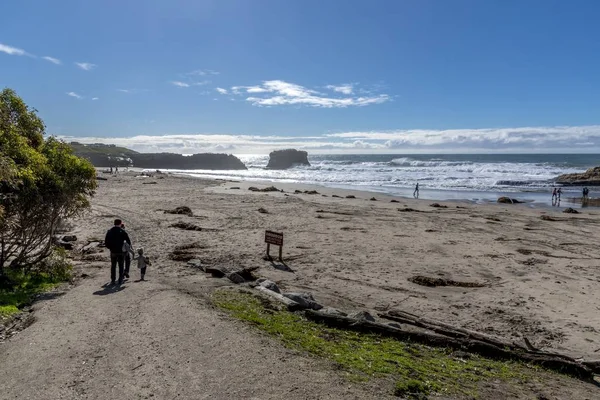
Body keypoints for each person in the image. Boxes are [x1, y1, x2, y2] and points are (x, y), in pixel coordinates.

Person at [104, 219, 131, 285]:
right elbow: (128, 242)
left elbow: (106, 242)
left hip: (113, 251)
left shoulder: (110, 231)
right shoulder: (122, 231)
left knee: (113, 265)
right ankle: (120, 279)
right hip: (121, 251)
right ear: (120, 223)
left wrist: (110, 248)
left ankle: (113, 279)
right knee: (121, 265)